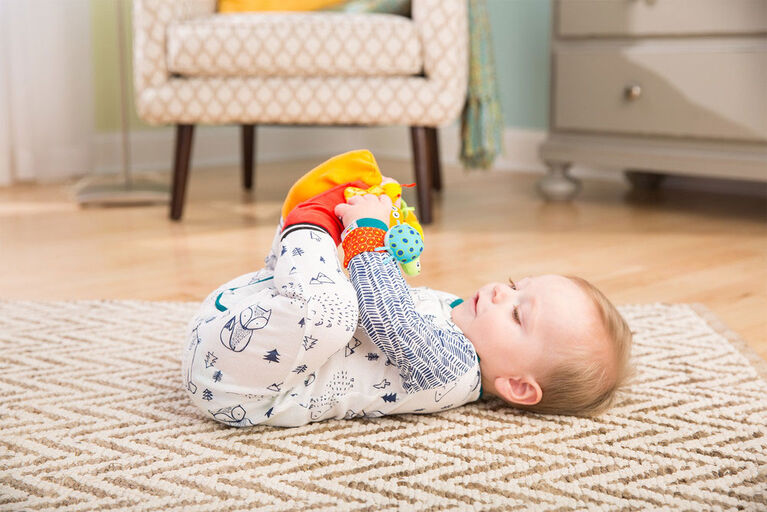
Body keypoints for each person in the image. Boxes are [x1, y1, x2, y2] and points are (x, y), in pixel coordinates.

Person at [181, 164, 633, 428]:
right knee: (335, 293)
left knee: (333, 311)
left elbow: (388, 317)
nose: (500, 291)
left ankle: (308, 221)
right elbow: (381, 292)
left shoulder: (452, 371)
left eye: (517, 314)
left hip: (244, 386)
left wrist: (369, 234)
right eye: (516, 286)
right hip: (236, 326)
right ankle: (311, 228)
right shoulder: (458, 321)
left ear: (517, 386)